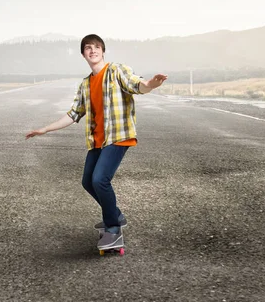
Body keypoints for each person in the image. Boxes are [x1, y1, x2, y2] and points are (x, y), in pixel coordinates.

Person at [25, 34, 168, 249]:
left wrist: (150, 84)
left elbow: (137, 85)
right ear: (83, 54)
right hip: (98, 141)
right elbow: (74, 114)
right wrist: (45, 129)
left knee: (100, 179)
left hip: (118, 136)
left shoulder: (116, 71)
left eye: (97, 47)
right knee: (87, 181)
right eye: (88, 48)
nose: (93, 50)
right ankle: (116, 215)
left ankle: (113, 229)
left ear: (103, 51)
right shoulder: (85, 84)